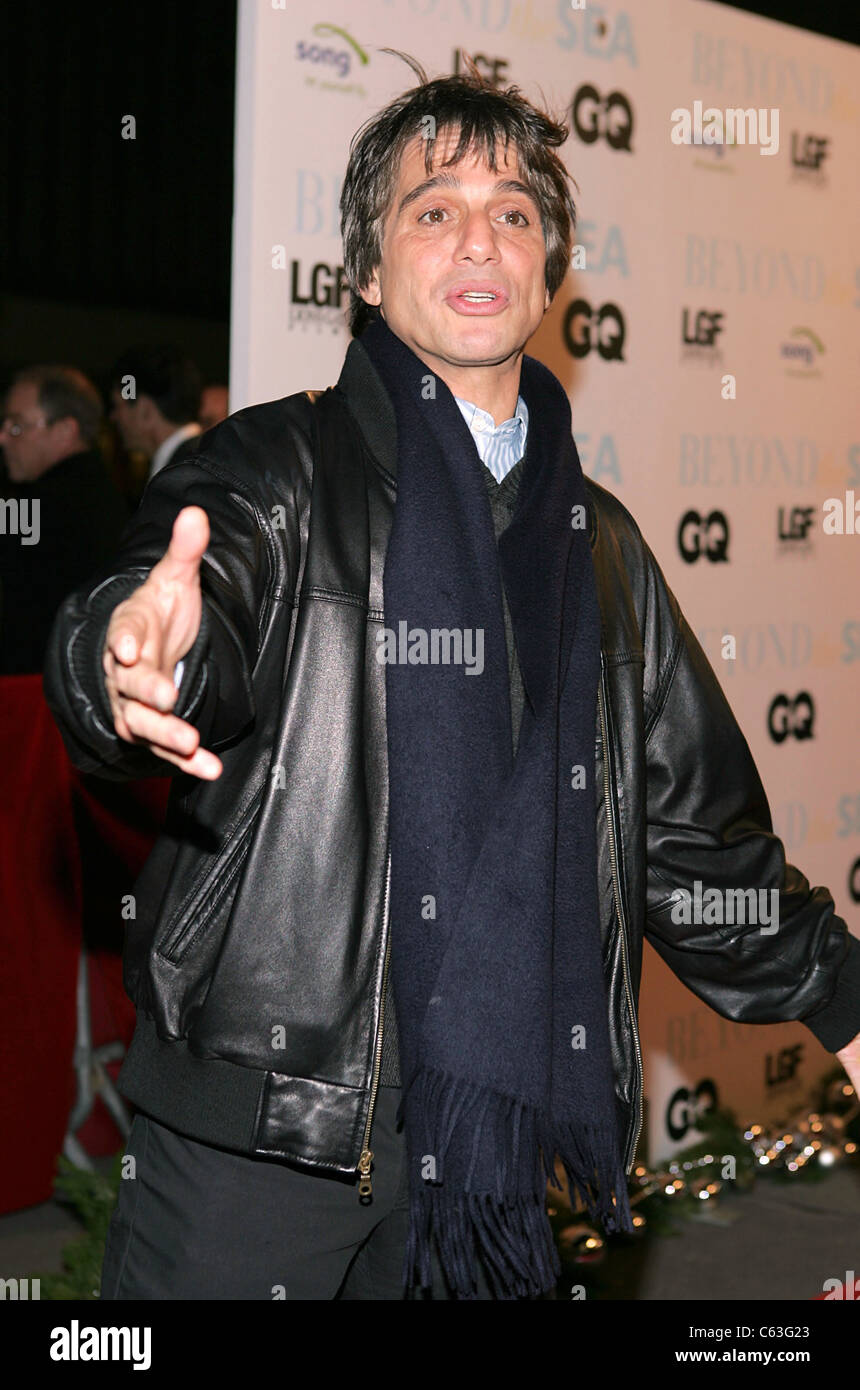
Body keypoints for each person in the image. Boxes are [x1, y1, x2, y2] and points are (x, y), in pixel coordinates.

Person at [43, 55, 860, 1301]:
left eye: (514, 213)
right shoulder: (276, 467)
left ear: (545, 272)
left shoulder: (602, 549)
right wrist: (128, 657)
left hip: (482, 1149)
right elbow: (177, 599)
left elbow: (693, 845)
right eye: (433, 209)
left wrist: (843, 1000)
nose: (478, 236)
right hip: (260, 1139)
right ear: (368, 273)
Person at [0, 365, 130, 673]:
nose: (3, 438)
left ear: (64, 432)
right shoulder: (111, 497)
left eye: (17, 426)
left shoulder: (34, 505)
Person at [108, 345, 203, 485]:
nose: (113, 417)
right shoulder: (199, 460)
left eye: (118, 406)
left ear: (145, 410)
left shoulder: (179, 476)